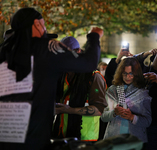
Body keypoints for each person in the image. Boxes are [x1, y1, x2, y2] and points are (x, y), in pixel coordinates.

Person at [0, 7, 103, 150]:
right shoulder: (48, 47)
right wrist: (94, 36)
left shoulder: (3, 51)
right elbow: (88, 63)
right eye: (44, 24)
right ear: (37, 24)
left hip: (5, 137)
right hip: (35, 139)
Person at [52, 36, 107, 142]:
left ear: (78, 51)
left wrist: (69, 110)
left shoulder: (93, 76)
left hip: (85, 138)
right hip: (61, 135)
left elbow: (99, 110)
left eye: (66, 56)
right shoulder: (63, 74)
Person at [101, 57, 152, 144]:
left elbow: (147, 121)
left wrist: (132, 117)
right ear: (120, 73)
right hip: (113, 140)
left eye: (131, 73)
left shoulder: (142, 92)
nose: (128, 77)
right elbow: (103, 117)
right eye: (125, 73)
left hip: (134, 141)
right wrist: (114, 113)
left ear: (136, 74)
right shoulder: (113, 90)